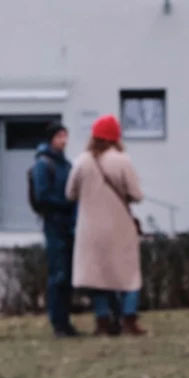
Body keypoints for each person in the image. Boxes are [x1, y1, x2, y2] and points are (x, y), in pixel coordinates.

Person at [68, 115, 147, 337]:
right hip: (119, 227)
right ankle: (129, 320)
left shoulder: (82, 161)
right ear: (115, 137)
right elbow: (136, 194)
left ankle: (102, 321)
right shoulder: (122, 160)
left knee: (98, 277)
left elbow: (70, 193)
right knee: (128, 275)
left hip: (89, 230)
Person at [29, 124, 82, 338]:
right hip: (55, 224)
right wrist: (65, 204)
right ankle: (58, 322)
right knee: (58, 274)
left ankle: (65, 321)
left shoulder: (65, 164)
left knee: (67, 275)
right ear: (51, 138)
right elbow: (43, 195)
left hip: (68, 224)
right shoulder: (44, 164)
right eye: (60, 136)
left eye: (65, 136)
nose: (64, 140)